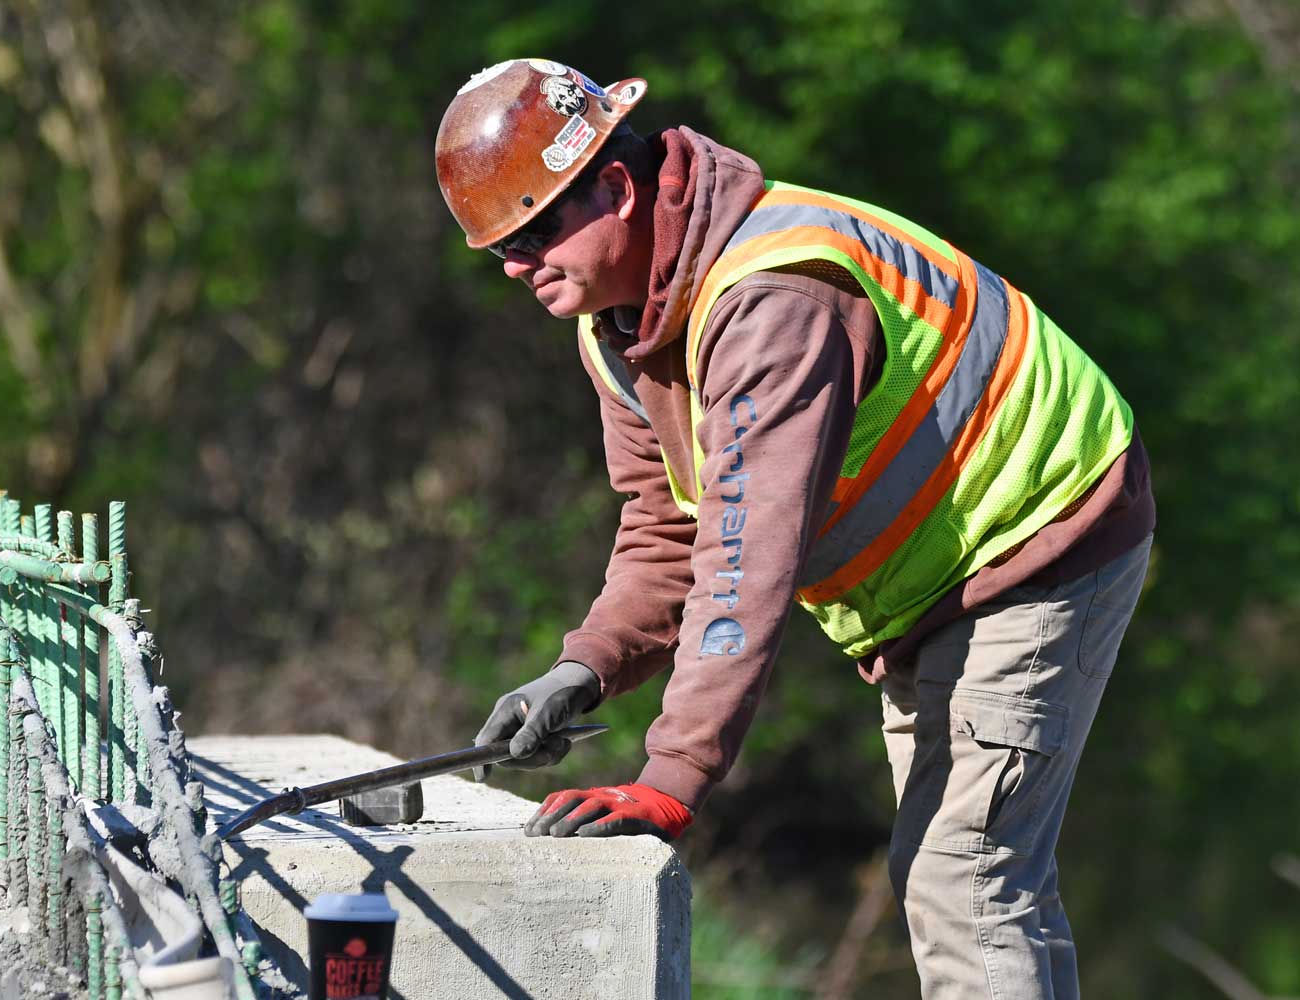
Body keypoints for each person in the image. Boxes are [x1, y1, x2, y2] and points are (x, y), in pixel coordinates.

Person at [435, 58, 1155, 998]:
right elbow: (666, 526)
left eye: (534, 232)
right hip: (933, 574)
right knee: (974, 880)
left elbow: (746, 551)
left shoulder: (771, 297)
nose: (520, 267)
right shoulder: (621, 328)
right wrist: (586, 666)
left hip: (1039, 529)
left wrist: (671, 774)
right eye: (501, 252)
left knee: (964, 882)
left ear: (615, 185)